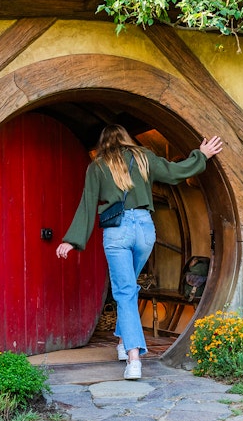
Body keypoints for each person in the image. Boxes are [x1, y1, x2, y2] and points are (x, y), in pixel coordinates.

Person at [56, 125, 224, 380]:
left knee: (124, 291)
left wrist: (72, 240)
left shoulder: (98, 166)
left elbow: (88, 205)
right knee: (130, 289)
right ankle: (124, 344)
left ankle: (134, 359)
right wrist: (201, 155)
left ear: (103, 144)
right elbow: (175, 173)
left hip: (118, 231)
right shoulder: (145, 157)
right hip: (145, 229)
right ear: (126, 138)